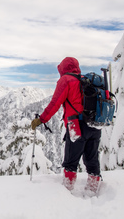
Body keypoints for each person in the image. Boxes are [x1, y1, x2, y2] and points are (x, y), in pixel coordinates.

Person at [31, 57, 101, 194]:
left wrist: (41, 120)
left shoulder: (66, 80)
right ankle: (93, 191)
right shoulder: (84, 80)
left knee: (70, 162)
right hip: (94, 125)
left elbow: (55, 103)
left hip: (77, 126)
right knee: (92, 160)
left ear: (63, 68)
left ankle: (67, 193)